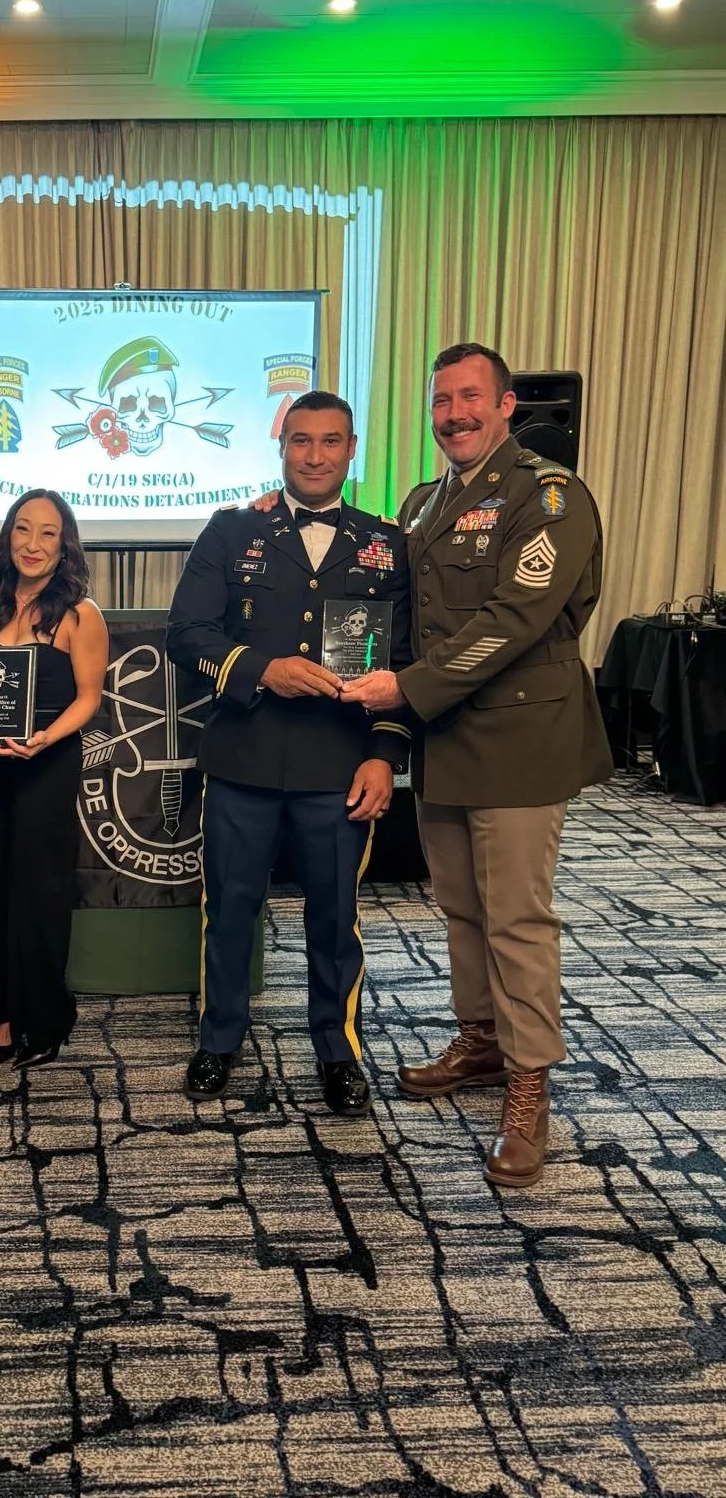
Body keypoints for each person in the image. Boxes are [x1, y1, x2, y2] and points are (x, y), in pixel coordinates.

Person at [342, 342, 613, 1188]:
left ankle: (529, 1087)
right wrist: (266, 516)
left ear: (504, 406)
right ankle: (484, 1041)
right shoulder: (427, 502)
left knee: (518, 918)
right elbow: (391, 589)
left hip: (517, 739)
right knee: (460, 906)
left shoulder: (550, 496)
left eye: (468, 399)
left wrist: (408, 687)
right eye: (439, 403)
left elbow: (516, 618)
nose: (452, 415)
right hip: (447, 735)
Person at [166, 391, 413, 1112]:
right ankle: (219, 1040)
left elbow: (403, 661)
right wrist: (259, 669)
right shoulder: (231, 530)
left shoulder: (385, 543)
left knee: (336, 919)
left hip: (340, 767)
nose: (314, 455)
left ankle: (338, 1051)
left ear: (352, 447)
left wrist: (384, 756)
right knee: (231, 911)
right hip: (244, 758)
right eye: (300, 441)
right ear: (282, 446)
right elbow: (187, 635)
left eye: (330, 441)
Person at [0, 490, 108, 1072]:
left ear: (64, 543)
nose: (33, 544)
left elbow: (89, 700)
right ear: (8, 536)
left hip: (45, 765)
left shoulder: (80, 614)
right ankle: (2, 1012)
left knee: (38, 891)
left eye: (48, 533)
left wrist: (44, 739)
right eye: (23, 530)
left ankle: (43, 1014)